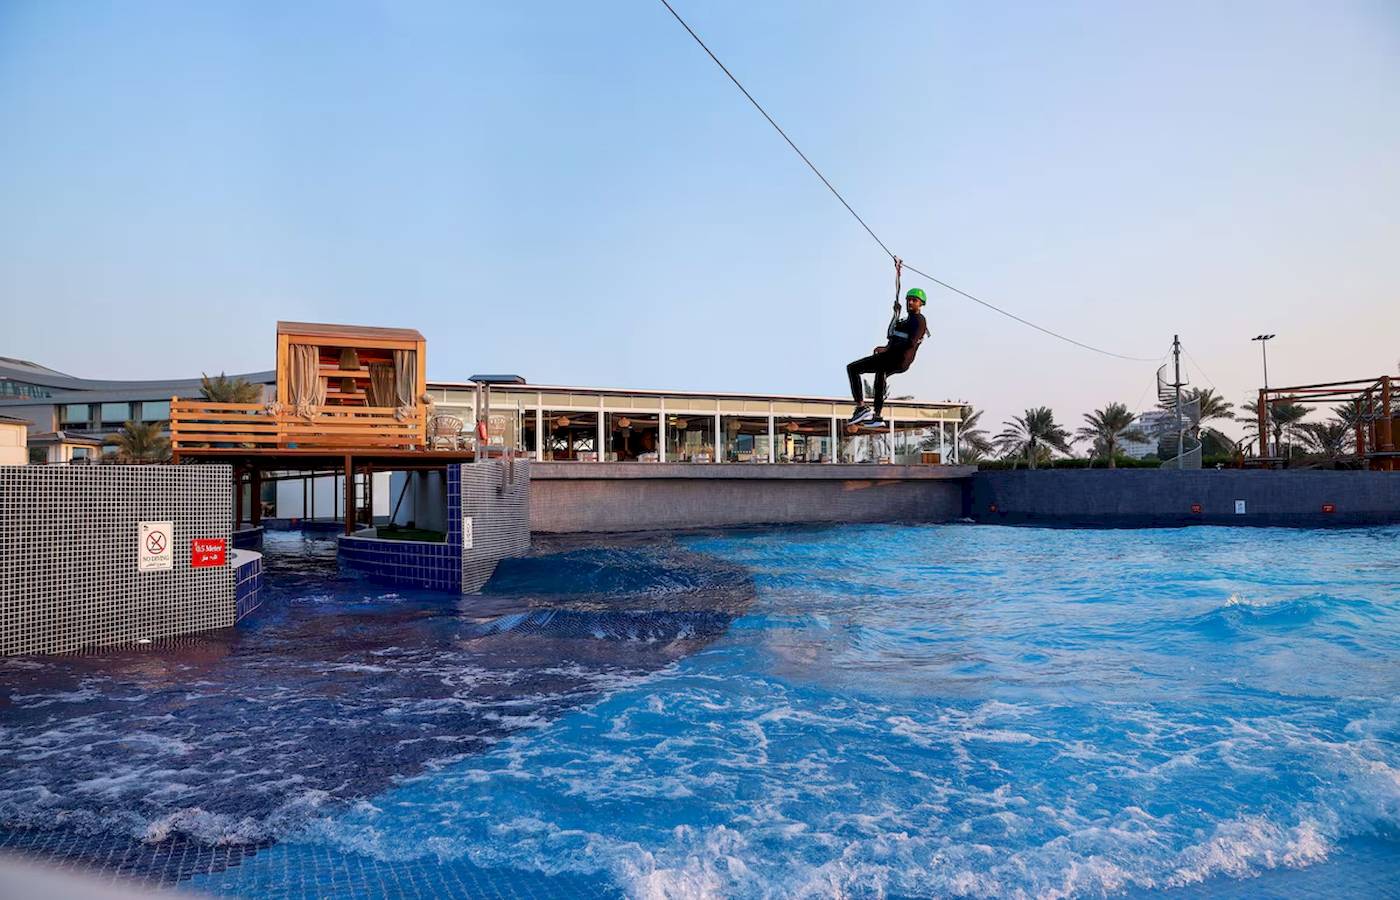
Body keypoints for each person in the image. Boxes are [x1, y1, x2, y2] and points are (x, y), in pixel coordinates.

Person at [846, 287, 928, 428]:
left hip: (897, 358)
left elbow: (910, 342)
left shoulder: (919, 320)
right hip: (896, 358)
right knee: (880, 375)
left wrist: (888, 349)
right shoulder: (906, 321)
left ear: (921, 304)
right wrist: (896, 314)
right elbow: (891, 334)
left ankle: (861, 407)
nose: (910, 302)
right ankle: (877, 417)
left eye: (914, 300)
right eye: (909, 300)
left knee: (853, 368)